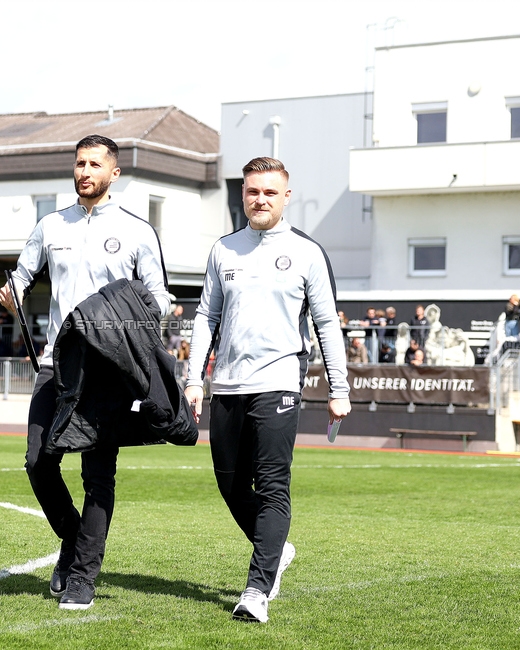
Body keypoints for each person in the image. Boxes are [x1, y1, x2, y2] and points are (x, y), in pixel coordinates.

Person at [0, 134, 171, 611]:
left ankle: (83, 577)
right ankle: (74, 541)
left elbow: (158, 298)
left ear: (114, 173)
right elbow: (21, 274)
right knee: (38, 461)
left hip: (107, 372)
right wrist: (11, 291)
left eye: (95, 164)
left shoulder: (137, 231)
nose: (85, 171)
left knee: (98, 475)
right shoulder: (50, 226)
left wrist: (131, 325)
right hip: (56, 366)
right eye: (80, 163)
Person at [184, 157, 350, 624]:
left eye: (269, 192)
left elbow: (326, 325)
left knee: (273, 485)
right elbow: (205, 317)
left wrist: (340, 388)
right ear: (243, 195)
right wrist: (195, 379)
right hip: (228, 385)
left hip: (278, 382)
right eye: (253, 191)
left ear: (286, 197)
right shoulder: (223, 250)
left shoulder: (307, 252)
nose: (260, 200)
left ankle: (257, 589)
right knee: (230, 484)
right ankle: (277, 547)